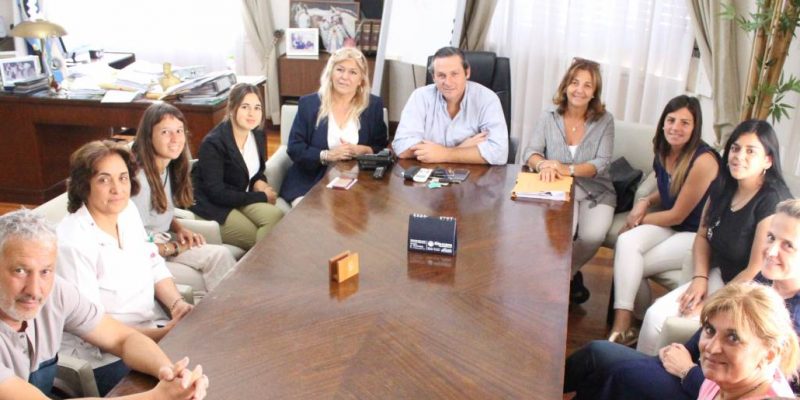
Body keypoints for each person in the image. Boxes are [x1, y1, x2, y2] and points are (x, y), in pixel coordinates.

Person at [564, 199, 800, 399]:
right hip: (699, 371)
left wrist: (687, 371)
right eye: (770, 237)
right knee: (597, 356)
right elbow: (714, 330)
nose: (771, 251)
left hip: (698, 382)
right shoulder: (759, 280)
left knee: (615, 373)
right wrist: (678, 354)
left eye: (788, 245)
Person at [0, 209, 209, 399]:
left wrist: (170, 373)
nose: (34, 289)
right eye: (20, 271)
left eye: (46, 271)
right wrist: (157, 397)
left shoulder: (57, 291)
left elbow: (122, 338)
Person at [636, 119, 793, 355]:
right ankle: (641, 370)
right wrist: (700, 278)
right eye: (735, 148)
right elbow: (702, 235)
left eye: (751, 151)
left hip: (749, 292)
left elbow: (754, 269)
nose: (739, 156)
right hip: (720, 273)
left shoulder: (771, 200)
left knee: (670, 323)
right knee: (654, 316)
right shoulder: (724, 184)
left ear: (768, 160)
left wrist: (716, 304)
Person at [56, 140, 195, 395]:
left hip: (151, 332)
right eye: (104, 180)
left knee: (200, 370)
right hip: (103, 357)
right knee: (176, 390)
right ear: (84, 185)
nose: (117, 189)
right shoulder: (72, 242)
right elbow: (93, 327)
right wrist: (162, 334)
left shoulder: (127, 210)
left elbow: (153, 261)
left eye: (122, 178)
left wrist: (176, 305)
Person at [608, 95, 720, 344]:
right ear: (662, 122)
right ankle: (625, 323)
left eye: (684, 123)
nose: (675, 128)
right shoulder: (664, 149)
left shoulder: (704, 161)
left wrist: (638, 219)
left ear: (695, 128)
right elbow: (671, 187)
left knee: (631, 261)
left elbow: (678, 214)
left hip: (696, 236)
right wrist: (645, 201)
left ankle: (633, 324)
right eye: (671, 120)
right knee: (626, 243)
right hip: (672, 226)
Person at [522, 57, 615, 304]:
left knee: (593, 236)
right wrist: (542, 164)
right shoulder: (548, 116)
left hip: (597, 191)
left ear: (594, 92)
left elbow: (602, 162)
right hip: (559, 189)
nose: (579, 90)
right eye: (575, 82)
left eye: (587, 85)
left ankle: (564, 275)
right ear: (565, 85)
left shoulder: (605, 120)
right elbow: (530, 152)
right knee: (562, 235)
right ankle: (559, 282)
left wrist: (566, 168)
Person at [131, 103, 236, 298]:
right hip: (146, 258)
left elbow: (158, 211)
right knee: (216, 278)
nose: (175, 138)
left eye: (179, 131)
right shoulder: (140, 182)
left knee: (221, 255)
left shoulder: (168, 167)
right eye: (165, 132)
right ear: (148, 136)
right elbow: (136, 246)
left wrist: (179, 229)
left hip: (163, 241)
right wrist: (175, 247)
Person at [280, 47, 387, 206]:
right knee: (314, 216)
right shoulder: (309, 104)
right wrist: (327, 155)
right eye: (340, 69)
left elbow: (382, 147)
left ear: (361, 80)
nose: (345, 77)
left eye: (353, 72)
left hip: (358, 181)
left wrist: (364, 150)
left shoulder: (373, 105)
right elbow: (295, 148)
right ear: (330, 73)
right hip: (311, 181)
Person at [191, 83, 284, 251]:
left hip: (240, 195)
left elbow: (255, 171)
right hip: (215, 204)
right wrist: (261, 196)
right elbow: (217, 193)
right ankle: (262, 263)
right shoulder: (213, 144)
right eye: (245, 107)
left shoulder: (257, 134)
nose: (252, 113)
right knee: (256, 237)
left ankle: (266, 259)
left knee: (277, 216)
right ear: (232, 108)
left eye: (257, 108)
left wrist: (259, 181)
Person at [391, 46, 508, 165]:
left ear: (467, 72)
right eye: (441, 75)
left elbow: (499, 153)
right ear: (433, 77)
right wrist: (461, 149)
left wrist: (443, 154)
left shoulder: (487, 99)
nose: (448, 82)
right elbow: (401, 146)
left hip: (474, 174)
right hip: (429, 173)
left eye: (454, 74)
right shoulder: (420, 97)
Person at [696, 282, 799, 399]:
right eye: (710, 330)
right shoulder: (723, 375)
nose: (711, 348)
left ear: (770, 354)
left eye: (733, 338)